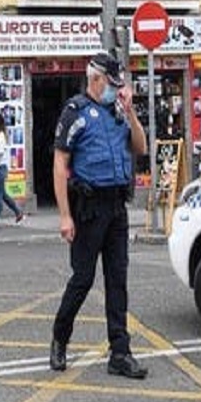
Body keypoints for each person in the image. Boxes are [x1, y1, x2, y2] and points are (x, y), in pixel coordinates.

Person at [49, 51, 148, 379]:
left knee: (117, 279)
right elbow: (60, 166)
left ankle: (120, 352)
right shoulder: (75, 112)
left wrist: (131, 113)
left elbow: (141, 147)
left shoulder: (118, 112)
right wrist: (65, 216)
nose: (114, 89)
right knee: (83, 279)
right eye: (110, 83)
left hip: (116, 206)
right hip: (89, 207)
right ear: (94, 79)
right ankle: (60, 339)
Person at [0, 112, 24, 231]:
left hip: (0, 168)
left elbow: (1, 151)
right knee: (3, 195)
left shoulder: (1, 136)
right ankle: (18, 213)